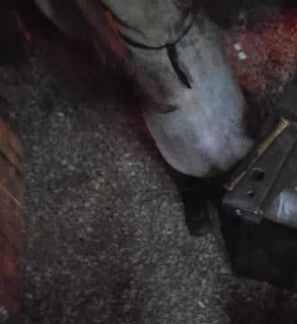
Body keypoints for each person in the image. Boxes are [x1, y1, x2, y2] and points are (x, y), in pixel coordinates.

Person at [33, 0, 253, 235]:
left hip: (195, 28)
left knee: (227, 114)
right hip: (147, 49)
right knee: (177, 134)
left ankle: (235, 190)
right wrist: (128, 65)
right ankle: (191, 188)